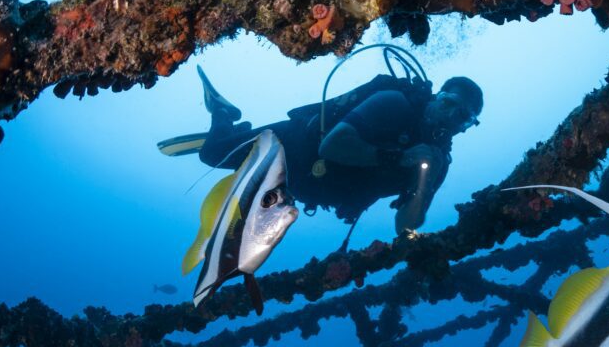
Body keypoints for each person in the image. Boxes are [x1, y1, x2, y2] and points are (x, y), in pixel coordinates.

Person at [159, 63, 483, 238]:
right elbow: (332, 145)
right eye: (448, 104)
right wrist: (400, 158)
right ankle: (225, 115)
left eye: (464, 117)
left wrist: (424, 179)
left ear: (469, 126)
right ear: (437, 96)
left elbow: (405, 226)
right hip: (291, 146)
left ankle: (235, 131)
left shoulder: (437, 162)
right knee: (213, 155)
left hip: (305, 183)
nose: (451, 117)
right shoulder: (394, 104)